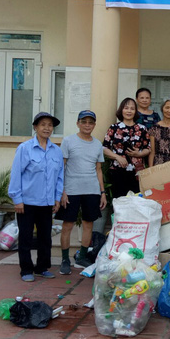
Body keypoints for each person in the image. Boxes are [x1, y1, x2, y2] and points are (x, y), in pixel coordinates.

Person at [8, 112, 63, 282]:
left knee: (45, 237)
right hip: (27, 202)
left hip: (47, 202)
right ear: (35, 127)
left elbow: (60, 176)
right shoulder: (25, 148)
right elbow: (16, 174)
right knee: (25, 237)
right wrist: (17, 199)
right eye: (43, 125)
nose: (47, 128)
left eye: (50, 125)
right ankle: (26, 269)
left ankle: (42, 267)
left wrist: (57, 197)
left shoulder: (56, 151)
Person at [55, 110, 106, 275]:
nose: (87, 125)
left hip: (91, 190)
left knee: (88, 224)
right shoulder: (68, 141)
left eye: (90, 122)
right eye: (84, 122)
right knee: (68, 224)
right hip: (71, 190)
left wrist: (102, 192)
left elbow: (98, 170)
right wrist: (62, 191)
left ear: (94, 125)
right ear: (78, 123)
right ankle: (64, 259)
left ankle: (82, 257)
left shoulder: (97, 144)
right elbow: (61, 167)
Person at [103, 98, 150, 198]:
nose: (129, 111)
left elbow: (148, 148)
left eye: (132, 108)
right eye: (126, 108)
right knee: (120, 201)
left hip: (137, 172)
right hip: (118, 170)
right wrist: (117, 157)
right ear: (121, 110)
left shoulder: (142, 129)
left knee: (137, 201)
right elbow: (104, 148)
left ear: (135, 111)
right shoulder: (114, 127)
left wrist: (140, 154)